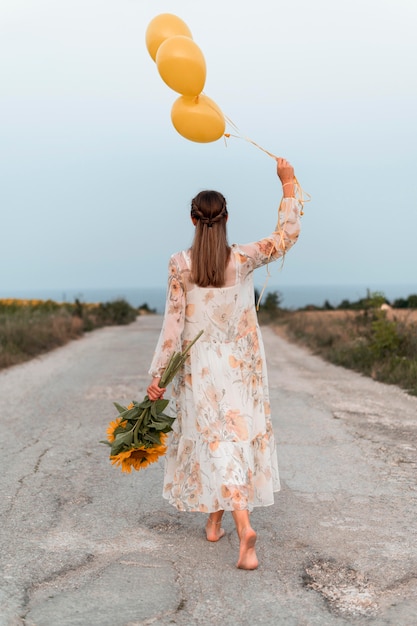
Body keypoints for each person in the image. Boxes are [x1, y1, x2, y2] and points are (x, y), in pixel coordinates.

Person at [147, 158, 301, 569]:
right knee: (229, 440)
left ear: (193, 219)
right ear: (227, 217)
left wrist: (159, 376)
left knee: (216, 441)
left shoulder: (180, 264)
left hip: (201, 367)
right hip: (241, 364)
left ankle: (243, 526)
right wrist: (288, 185)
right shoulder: (243, 258)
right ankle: (215, 525)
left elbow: (173, 326)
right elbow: (285, 236)